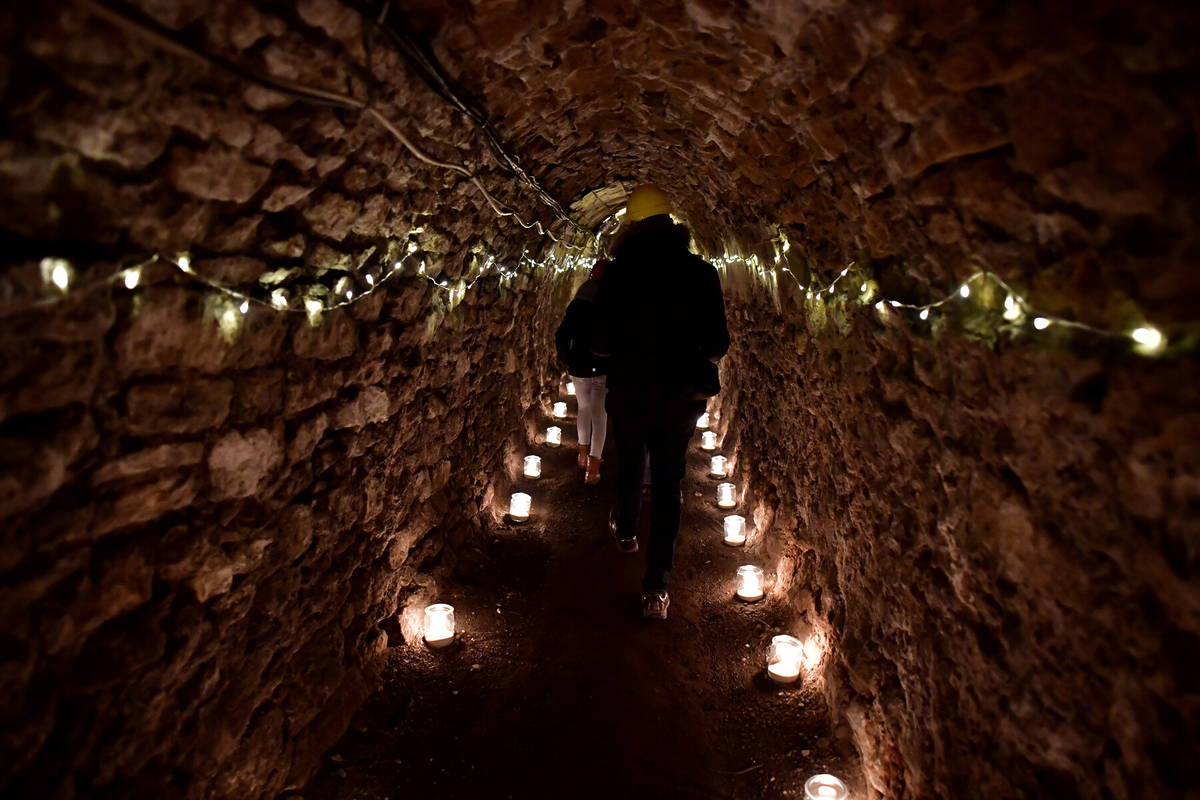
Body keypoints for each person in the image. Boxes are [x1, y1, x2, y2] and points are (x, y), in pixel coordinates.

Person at [593, 185, 729, 620]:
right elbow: (717, 343)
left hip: (631, 392)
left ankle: (628, 533)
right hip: (680, 396)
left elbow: (599, 342)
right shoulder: (702, 274)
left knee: (631, 465)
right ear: (673, 223)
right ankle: (657, 586)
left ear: (631, 226)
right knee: (670, 483)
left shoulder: (615, 275)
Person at [555, 261, 610, 484]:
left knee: (584, 408)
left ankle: (582, 455)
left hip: (579, 366)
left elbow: (562, 334)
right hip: (603, 366)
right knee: (600, 414)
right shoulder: (613, 304)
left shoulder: (578, 303)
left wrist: (567, 358)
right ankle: (593, 469)